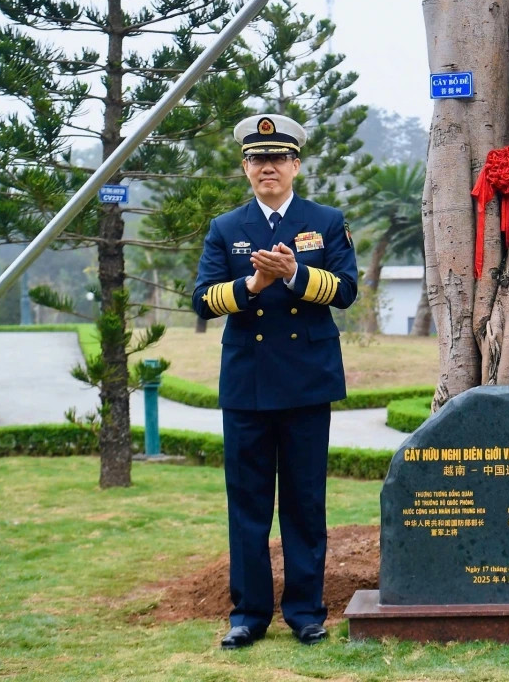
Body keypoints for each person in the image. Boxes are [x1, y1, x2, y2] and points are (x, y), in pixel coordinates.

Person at [192, 113, 358, 649]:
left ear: (296, 166)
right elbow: (202, 299)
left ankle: (306, 612)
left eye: (278, 158)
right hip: (249, 384)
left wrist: (294, 274)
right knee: (248, 504)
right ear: (246, 168)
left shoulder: (325, 221)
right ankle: (248, 614)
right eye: (258, 159)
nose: (268, 167)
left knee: (305, 503)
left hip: (307, 382)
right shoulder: (226, 228)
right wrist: (253, 283)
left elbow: (346, 290)